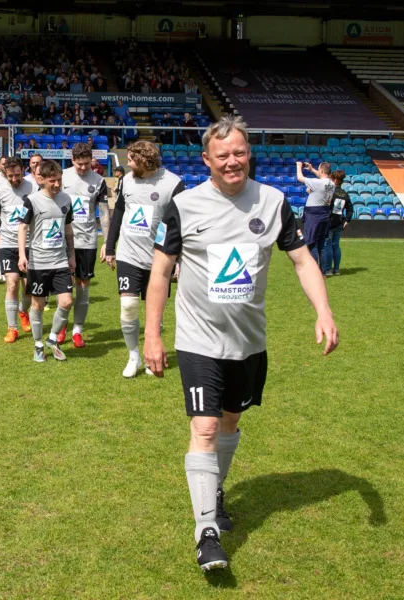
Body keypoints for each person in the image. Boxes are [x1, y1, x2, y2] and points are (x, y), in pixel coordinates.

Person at [144, 116, 339, 571]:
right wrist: (153, 335)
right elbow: (159, 273)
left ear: (249, 153)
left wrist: (324, 311)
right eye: (222, 155)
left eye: (239, 152)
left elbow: (303, 261)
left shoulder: (272, 201)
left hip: (249, 342)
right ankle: (206, 531)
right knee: (206, 427)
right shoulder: (183, 205)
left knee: (229, 424)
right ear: (206, 160)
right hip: (197, 340)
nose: (232, 162)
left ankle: (212, 490)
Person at [102, 140, 184, 377]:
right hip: (128, 254)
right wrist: (109, 247)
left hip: (160, 259)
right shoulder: (126, 180)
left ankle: (152, 353)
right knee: (128, 306)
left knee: (153, 310)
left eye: (130, 159)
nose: (126, 163)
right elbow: (118, 212)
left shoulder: (173, 184)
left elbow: (181, 225)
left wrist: (179, 260)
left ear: (144, 160)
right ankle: (134, 356)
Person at [18, 160, 75, 362]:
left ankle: (52, 339)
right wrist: (22, 255)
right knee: (38, 306)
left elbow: (68, 230)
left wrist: (72, 255)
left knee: (67, 301)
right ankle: (38, 345)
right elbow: (23, 228)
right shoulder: (31, 201)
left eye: (59, 180)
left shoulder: (66, 199)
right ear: (41, 180)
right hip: (38, 262)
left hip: (60, 260)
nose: (57, 184)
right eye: (53, 181)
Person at [60, 143, 109, 348]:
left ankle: (77, 330)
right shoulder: (62, 177)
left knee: (83, 285)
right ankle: (61, 326)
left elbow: (104, 213)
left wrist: (107, 241)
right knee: (64, 286)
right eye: (79, 164)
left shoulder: (99, 180)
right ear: (72, 160)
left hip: (87, 240)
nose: (83, 168)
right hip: (62, 239)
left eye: (87, 164)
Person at [0, 157, 37, 343]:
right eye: (10, 176)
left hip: (31, 244)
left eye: (17, 175)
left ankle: (23, 311)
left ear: (23, 170)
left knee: (29, 287)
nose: (15, 179)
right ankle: (12, 328)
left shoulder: (34, 188)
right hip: (8, 243)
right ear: (5, 174)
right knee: (12, 283)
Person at [297, 160, 335, 269]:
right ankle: (323, 270)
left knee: (312, 243)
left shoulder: (319, 183)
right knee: (321, 245)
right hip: (324, 213)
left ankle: (313, 270)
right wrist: (312, 169)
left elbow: (300, 178)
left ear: (322, 170)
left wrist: (299, 166)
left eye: (319, 170)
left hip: (314, 214)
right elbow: (322, 177)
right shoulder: (331, 183)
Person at [320, 170, 354, 277]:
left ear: (334, 180)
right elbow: (350, 208)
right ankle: (337, 269)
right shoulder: (345, 193)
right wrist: (347, 220)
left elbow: (325, 206)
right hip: (339, 222)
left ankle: (328, 269)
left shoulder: (331, 192)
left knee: (327, 245)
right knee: (336, 245)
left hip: (329, 222)